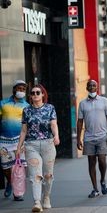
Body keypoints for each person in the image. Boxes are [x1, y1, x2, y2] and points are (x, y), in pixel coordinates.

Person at [16, 84, 60, 212]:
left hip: (48, 144)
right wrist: (19, 147)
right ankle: (37, 202)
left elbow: (53, 124)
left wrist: (56, 136)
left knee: (48, 175)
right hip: (31, 145)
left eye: (37, 93)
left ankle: (46, 197)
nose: (35, 95)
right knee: (35, 175)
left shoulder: (50, 108)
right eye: (33, 93)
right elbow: (24, 130)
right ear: (30, 96)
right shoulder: (26, 110)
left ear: (42, 95)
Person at [77, 80, 107, 198]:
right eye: (90, 86)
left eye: (94, 86)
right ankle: (95, 188)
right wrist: (78, 139)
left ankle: (102, 180)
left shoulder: (104, 101)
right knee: (91, 162)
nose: (92, 87)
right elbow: (80, 121)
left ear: (97, 88)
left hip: (102, 136)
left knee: (102, 160)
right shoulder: (82, 103)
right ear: (87, 88)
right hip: (88, 137)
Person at [0, 80, 29, 201]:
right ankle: (10, 182)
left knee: (20, 167)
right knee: (6, 166)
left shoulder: (27, 106)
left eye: (23, 89)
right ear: (14, 90)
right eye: (19, 89)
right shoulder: (3, 103)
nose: (21, 91)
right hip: (4, 140)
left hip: (19, 140)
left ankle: (18, 193)